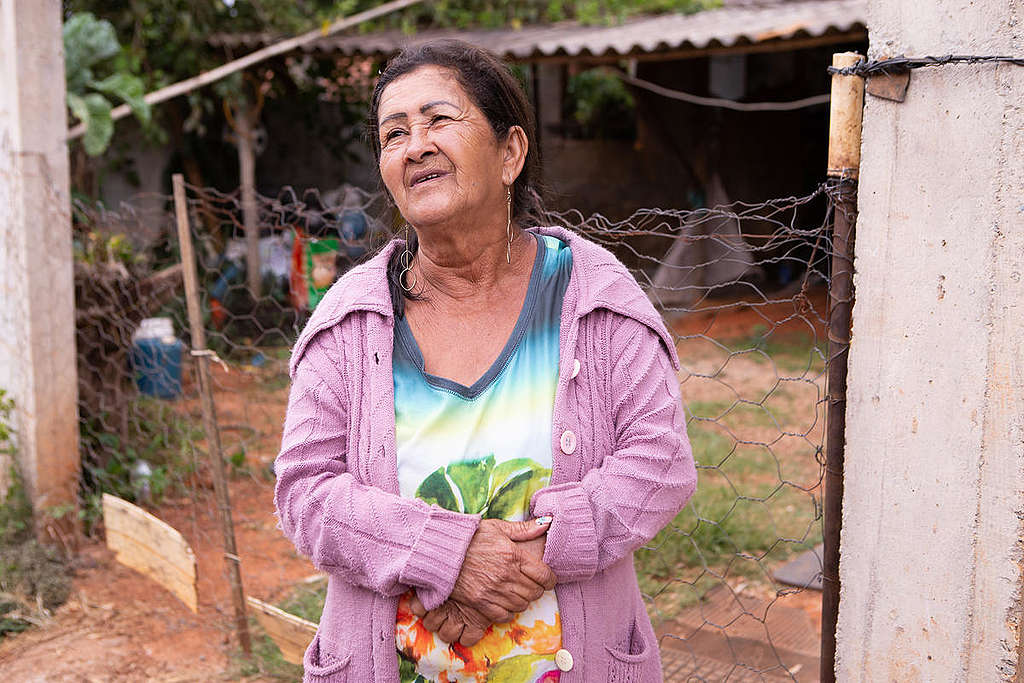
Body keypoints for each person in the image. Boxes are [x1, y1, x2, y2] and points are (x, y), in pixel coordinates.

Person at [274, 39, 696, 683]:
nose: (415, 145)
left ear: (510, 152)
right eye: (394, 134)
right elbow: (304, 491)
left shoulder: (593, 296)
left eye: (438, 120)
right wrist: (445, 555)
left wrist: (534, 554)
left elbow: (661, 463)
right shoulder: (350, 321)